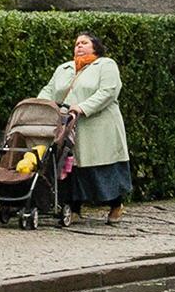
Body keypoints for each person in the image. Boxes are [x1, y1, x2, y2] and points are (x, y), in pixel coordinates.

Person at [43, 31, 132, 222]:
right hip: (69, 126)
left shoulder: (106, 65)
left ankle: (116, 204)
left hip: (99, 126)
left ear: (95, 47)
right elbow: (49, 91)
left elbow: (108, 92)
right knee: (70, 167)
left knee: (101, 167)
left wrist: (82, 107)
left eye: (84, 43)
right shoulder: (64, 68)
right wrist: (40, 106)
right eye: (76, 44)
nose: (79, 46)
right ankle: (73, 209)